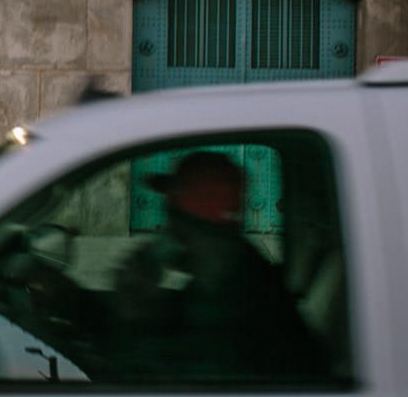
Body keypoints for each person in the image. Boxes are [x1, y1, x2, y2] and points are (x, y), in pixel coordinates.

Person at [113, 151, 326, 381]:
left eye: (171, 213)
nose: (167, 228)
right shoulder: (220, 281)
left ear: (190, 224)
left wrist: (134, 316)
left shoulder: (242, 305)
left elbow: (170, 379)